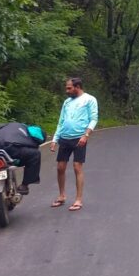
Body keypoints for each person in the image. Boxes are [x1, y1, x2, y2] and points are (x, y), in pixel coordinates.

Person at [50, 77, 99, 212]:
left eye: (69, 88)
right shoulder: (66, 102)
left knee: (77, 167)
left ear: (77, 86)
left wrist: (86, 135)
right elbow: (61, 121)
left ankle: (78, 199)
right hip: (65, 138)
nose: (67, 91)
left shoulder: (89, 99)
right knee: (60, 167)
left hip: (79, 138)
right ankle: (62, 195)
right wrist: (55, 139)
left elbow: (94, 118)